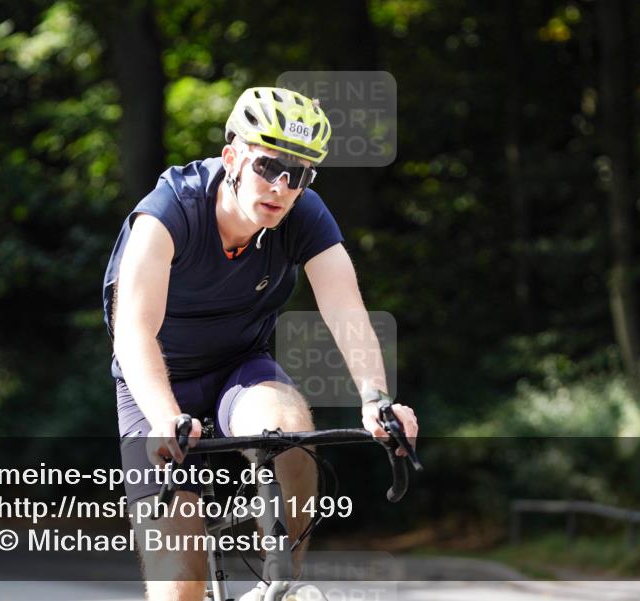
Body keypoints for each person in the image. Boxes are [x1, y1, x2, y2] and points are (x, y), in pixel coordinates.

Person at [102, 86, 419, 601]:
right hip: (156, 383)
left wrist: (376, 399)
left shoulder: (303, 214)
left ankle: (282, 585)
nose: (282, 187)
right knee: (179, 586)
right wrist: (164, 416)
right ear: (233, 156)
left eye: (300, 175)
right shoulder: (168, 212)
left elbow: (346, 309)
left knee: (287, 430)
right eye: (269, 166)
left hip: (240, 369)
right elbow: (134, 331)